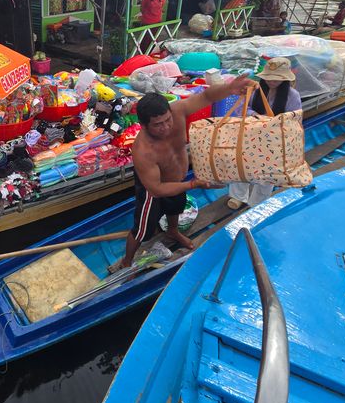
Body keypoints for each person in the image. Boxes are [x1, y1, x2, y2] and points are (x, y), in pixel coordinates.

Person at [113, 74, 255, 271]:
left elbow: (206, 97)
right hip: (153, 191)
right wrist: (192, 184)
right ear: (144, 125)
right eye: (158, 124)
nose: (166, 127)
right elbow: (157, 188)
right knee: (142, 230)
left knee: (176, 206)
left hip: (179, 179)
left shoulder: (178, 111)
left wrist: (230, 88)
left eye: (167, 120)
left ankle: (173, 231)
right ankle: (127, 261)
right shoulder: (143, 150)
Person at [226, 57, 301, 210]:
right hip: (252, 133)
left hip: (276, 139)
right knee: (241, 165)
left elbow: (295, 119)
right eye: (269, 78)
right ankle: (238, 196)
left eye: (276, 79)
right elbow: (244, 109)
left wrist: (274, 121)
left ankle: (256, 202)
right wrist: (254, 115)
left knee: (268, 171)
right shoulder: (256, 90)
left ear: (285, 79)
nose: (271, 81)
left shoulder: (292, 96)